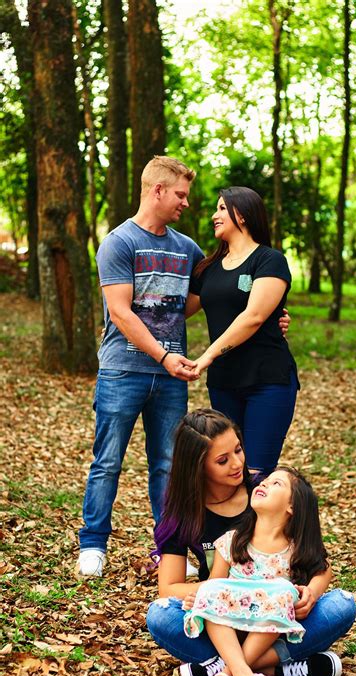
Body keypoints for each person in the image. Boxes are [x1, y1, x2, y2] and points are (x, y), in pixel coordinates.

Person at [146, 409, 356, 676]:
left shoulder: (263, 493)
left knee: (341, 605)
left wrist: (311, 594)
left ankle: (224, 671)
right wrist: (218, 593)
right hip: (222, 618)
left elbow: (317, 561)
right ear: (198, 467)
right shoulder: (183, 514)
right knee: (160, 615)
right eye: (222, 460)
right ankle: (283, 668)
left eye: (238, 450)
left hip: (277, 620)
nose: (237, 464)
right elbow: (168, 587)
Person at [77, 156, 203, 577]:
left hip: (169, 379)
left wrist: (273, 312)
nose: (186, 202)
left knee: (168, 464)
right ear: (158, 191)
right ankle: (93, 544)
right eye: (181, 194)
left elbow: (211, 292)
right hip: (122, 371)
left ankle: (167, 550)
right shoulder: (119, 242)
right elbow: (122, 312)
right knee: (107, 460)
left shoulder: (188, 249)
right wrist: (164, 354)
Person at [183, 467, 329, 676]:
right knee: (166, 612)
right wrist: (200, 599)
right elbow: (215, 587)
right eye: (266, 481)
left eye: (276, 484)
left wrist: (311, 592)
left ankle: (227, 673)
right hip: (227, 630)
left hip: (268, 632)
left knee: (335, 604)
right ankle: (264, 671)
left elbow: (324, 569)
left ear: (292, 506)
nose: (263, 484)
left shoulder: (297, 550)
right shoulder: (231, 542)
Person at [187, 187, 299, 482]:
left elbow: (254, 317)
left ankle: (263, 529)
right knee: (228, 474)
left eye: (222, 208)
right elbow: (180, 309)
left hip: (267, 379)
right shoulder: (207, 268)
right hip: (224, 383)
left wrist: (206, 356)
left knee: (256, 473)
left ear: (242, 215)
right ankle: (232, 531)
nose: (215, 215)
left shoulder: (269, 260)